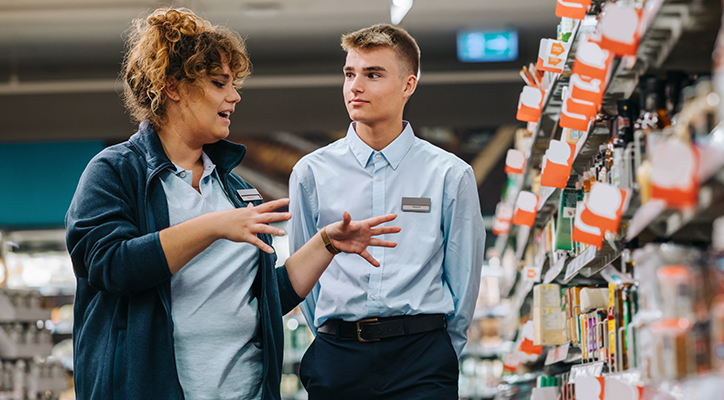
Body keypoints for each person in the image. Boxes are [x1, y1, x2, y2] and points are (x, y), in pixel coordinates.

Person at [65, 8, 400, 400]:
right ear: (173, 86)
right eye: (219, 83)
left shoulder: (236, 189)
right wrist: (212, 226)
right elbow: (109, 266)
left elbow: (263, 298)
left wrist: (327, 242)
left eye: (234, 84)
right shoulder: (116, 171)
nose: (234, 96)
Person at [288, 24, 485, 399]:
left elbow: (464, 278)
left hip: (422, 359)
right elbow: (303, 276)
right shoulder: (310, 174)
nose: (355, 87)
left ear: (408, 84)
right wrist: (335, 339)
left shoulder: (449, 174)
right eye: (350, 74)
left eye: (372, 74)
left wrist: (441, 352)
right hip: (338, 358)